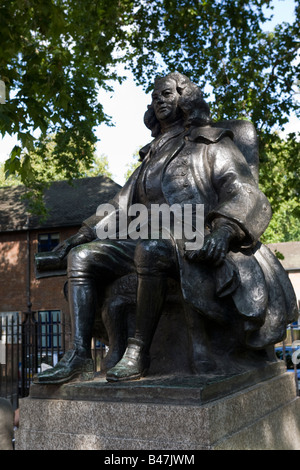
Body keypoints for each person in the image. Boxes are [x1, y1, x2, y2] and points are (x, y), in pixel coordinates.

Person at [34, 72, 297, 385]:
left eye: (166, 94)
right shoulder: (151, 154)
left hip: (194, 236)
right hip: (149, 234)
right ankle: (78, 355)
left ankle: (138, 351)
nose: (158, 100)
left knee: (151, 249)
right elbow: (120, 208)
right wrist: (83, 235)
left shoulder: (212, 142)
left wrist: (225, 230)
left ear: (185, 99)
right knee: (81, 258)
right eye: (155, 95)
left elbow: (243, 191)